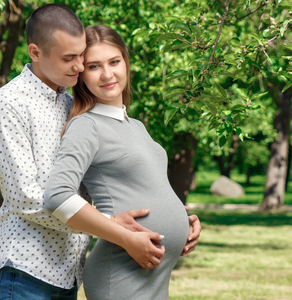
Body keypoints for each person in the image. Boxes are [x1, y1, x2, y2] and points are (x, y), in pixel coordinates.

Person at [0, 4, 200, 300]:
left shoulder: (69, 103)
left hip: (70, 269)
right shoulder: (8, 104)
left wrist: (175, 216)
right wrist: (111, 226)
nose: (79, 66)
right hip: (27, 268)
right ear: (35, 52)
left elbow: (108, 179)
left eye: (81, 56)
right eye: (70, 58)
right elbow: (26, 198)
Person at [44, 25, 197, 300]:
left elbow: (144, 188)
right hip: (121, 269)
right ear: (81, 75)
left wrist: (183, 221)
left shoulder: (136, 126)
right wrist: (125, 237)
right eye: (94, 66)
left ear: (126, 62)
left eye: (114, 62)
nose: (107, 74)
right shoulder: (87, 125)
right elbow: (57, 196)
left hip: (153, 274)